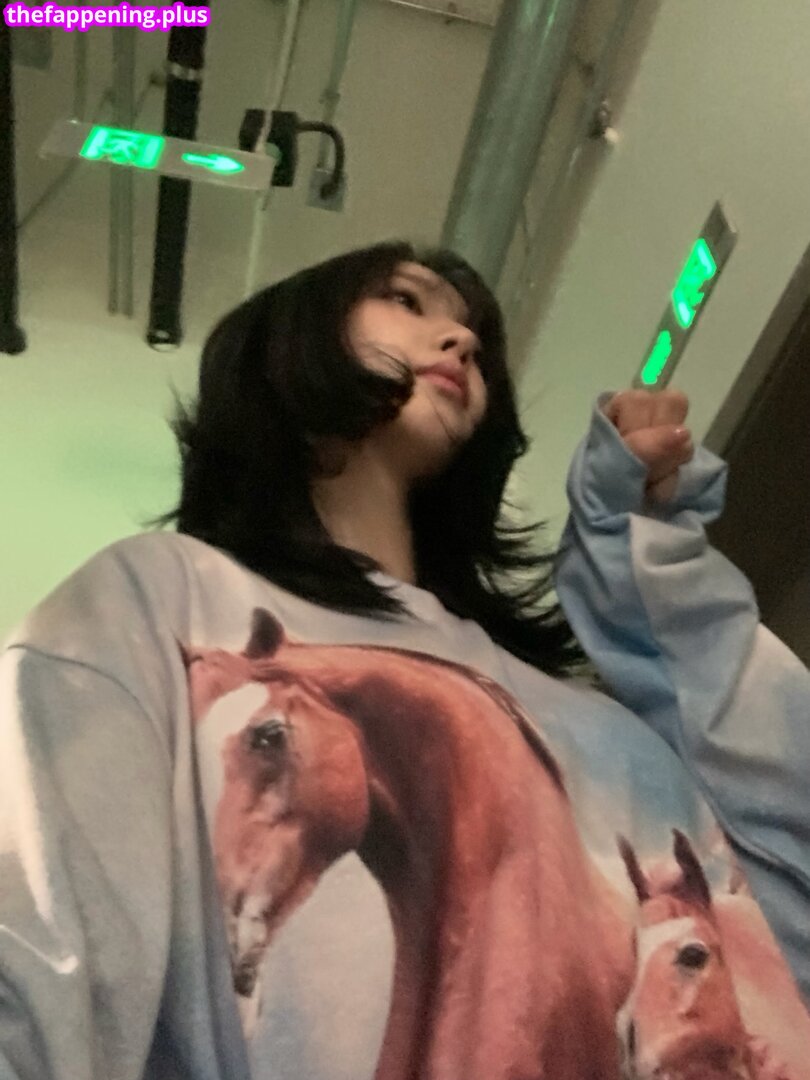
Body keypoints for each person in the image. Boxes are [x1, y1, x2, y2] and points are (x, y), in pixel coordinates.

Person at [0, 240, 808, 1080]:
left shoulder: (586, 720)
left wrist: (639, 553)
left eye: (474, 339)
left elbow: (784, 827)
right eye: (406, 301)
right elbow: (33, 945)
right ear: (294, 338)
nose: (462, 340)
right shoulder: (168, 597)